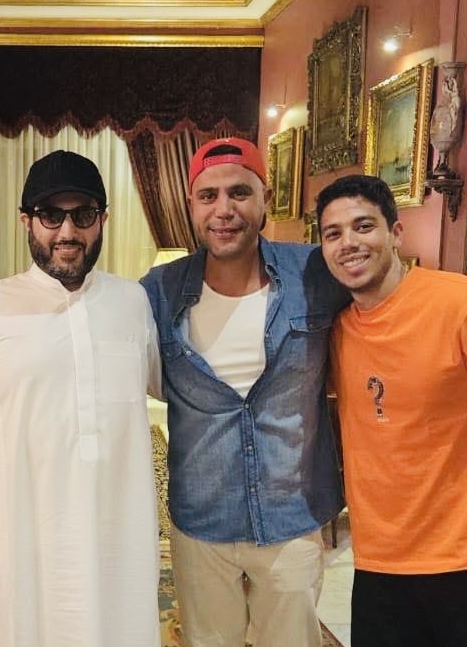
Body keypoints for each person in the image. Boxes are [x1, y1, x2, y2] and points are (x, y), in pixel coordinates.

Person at [315, 174, 467, 647]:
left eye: (364, 226)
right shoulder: (338, 331)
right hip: (379, 570)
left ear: (396, 233)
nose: (349, 243)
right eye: (333, 233)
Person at [0, 150, 161, 647]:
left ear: (102, 220)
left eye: (83, 215)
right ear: (26, 221)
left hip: (117, 534)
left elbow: (167, 386)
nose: (67, 232)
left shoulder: (132, 302)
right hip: (17, 537)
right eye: (51, 215)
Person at [140, 137, 348, 647]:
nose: (224, 210)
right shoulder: (157, 291)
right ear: (191, 205)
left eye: (239, 192)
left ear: (265, 198)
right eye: (208, 196)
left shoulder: (314, 274)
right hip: (201, 517)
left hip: (291, 514)